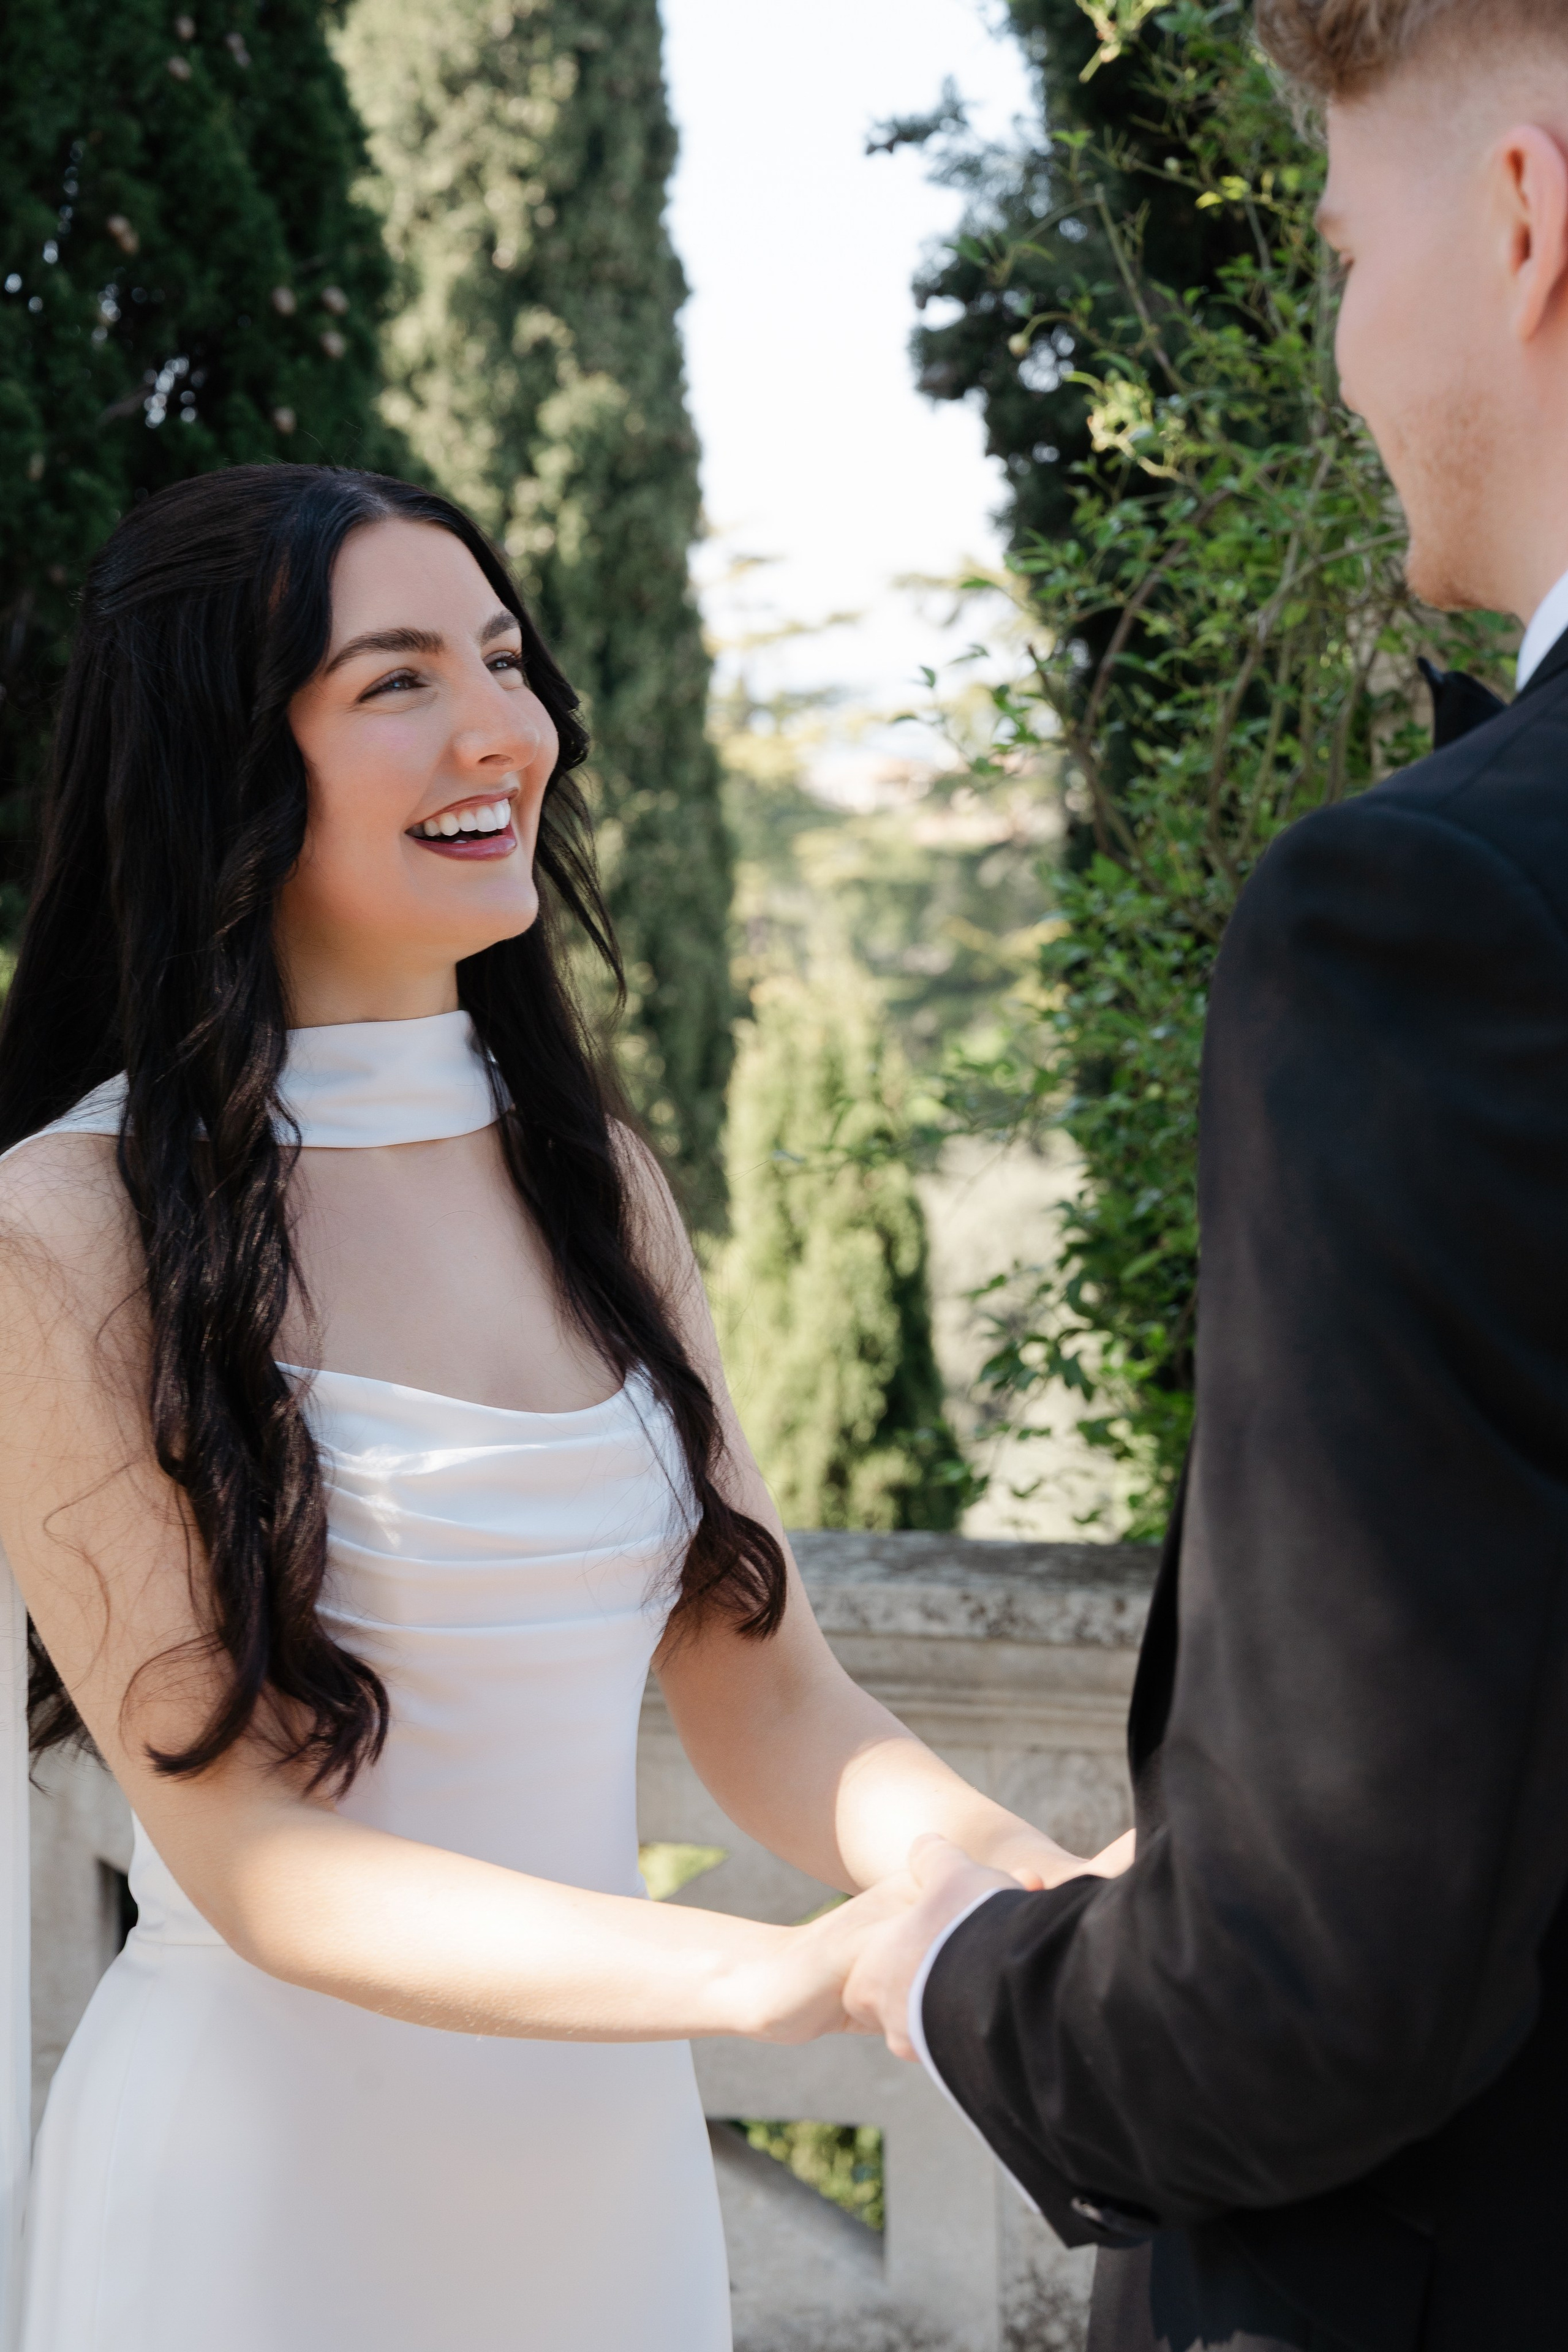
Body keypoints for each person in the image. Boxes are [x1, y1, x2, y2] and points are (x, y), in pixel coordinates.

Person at [0, 463, 1123, 2352]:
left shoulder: (586, 1175)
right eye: (398, 680)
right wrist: (775, 1979)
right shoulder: (61, 1228)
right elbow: (264, 1859)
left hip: (605, 2200)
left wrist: (1023, 1886)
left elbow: (768, 1686)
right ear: (222, 757)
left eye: (506, 661)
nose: (502, 730)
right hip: (254, 2214)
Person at [843, 2, 1568, 2344]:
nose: (1351, 344)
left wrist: (974, 1975)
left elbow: (1306, 1996)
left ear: (1528, 221)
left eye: (1348, 252)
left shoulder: (1436, 922)